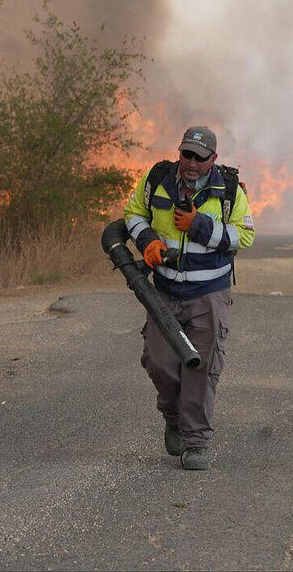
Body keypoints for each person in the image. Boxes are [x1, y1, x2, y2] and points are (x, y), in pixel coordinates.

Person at [123, 126, 255, 470]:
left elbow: (245, 236)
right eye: (186, 154)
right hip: (164, 292)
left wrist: (200, 226)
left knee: (201, 366)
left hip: (208, 294)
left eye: (199, 157)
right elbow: (134, 213)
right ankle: (173, 417)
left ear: (213, 158)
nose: (191, 163)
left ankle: (196, 443)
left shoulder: (227, 190)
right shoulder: (157, 179)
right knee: (159, 361)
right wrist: (148, 239)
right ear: (179, 153)